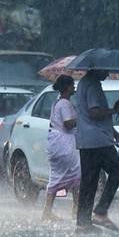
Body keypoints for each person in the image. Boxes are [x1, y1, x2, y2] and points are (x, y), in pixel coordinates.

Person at [75, 69, 119, 233]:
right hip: (98, 140)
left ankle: (83, 222)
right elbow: (94, 112)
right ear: (96, 68)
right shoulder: (93, 85)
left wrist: (113, 131)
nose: (108, 73)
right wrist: (114, 110)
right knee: (117, 170)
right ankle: (101, 211)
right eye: (105, 69)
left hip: (86, 140)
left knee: (89, 181)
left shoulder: (83, 83)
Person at [42, 74, 80, 221]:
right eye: (72, 85)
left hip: (56, 144)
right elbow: (68, 124)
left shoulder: (57, 103)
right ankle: (76, 209)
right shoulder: (65, 104)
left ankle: (47, 211)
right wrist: (81, 118)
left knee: (57, 177)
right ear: (67, 87)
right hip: (64, 145)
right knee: (77, 175)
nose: (74, 87)